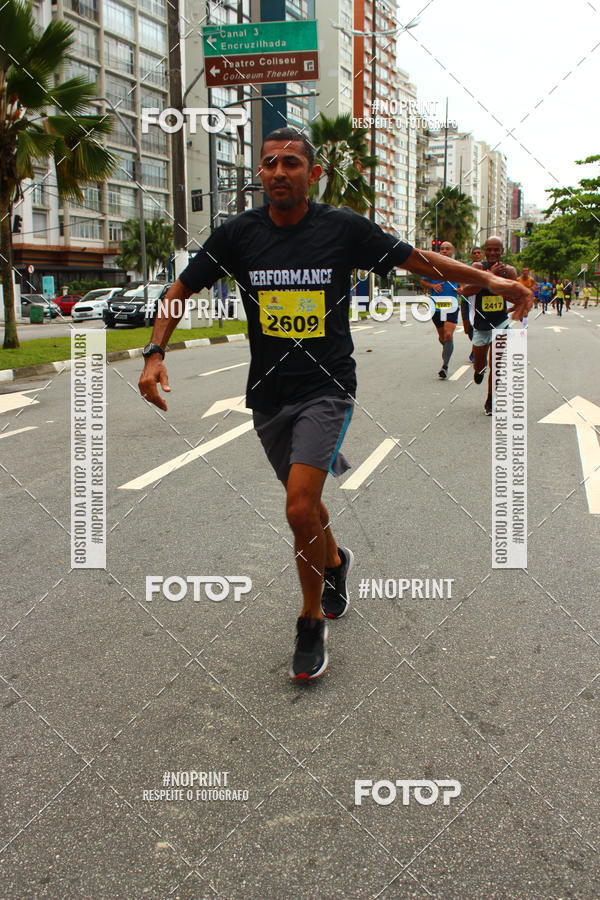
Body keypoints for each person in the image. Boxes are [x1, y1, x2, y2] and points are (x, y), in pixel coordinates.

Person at [138, 128, 533, 680]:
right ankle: (337, 561)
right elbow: (180, 290)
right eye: (270, 162)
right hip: (267, 395)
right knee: (309, 509)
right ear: (260, 173)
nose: (279, 171)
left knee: (299, 508)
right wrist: (156, 351)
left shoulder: (342, 228)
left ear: (313, 174)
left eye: (292, 163)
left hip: (327, 387)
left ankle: (308, 620)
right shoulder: (238, 235)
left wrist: (490, 279)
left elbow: (417, 261)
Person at [459, 236, 519, 416]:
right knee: (480, 365)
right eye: (490, 250)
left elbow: (513, 295)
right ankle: (479, 370)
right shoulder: (478, 268)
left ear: (502, 251)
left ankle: (491, 399)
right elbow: (467, 291)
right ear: (485, 251)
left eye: (497, 250)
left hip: (500, 322)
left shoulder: (509, 271)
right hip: (481, 324)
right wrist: (490, 276)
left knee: (498, 364)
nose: (493, 253)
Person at [419, 240, 460, 379]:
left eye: (447, 248)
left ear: (452, 252)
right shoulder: (433, 267)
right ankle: (447, 348)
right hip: (436, 307)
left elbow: (466, 282)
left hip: (452, 305)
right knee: (443, 338)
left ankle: (445, 366)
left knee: (448, 335)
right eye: (442, 248)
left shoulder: (457, 267)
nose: (444, 251)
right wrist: (432, 286)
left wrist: (462, 289)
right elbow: (423, 281)